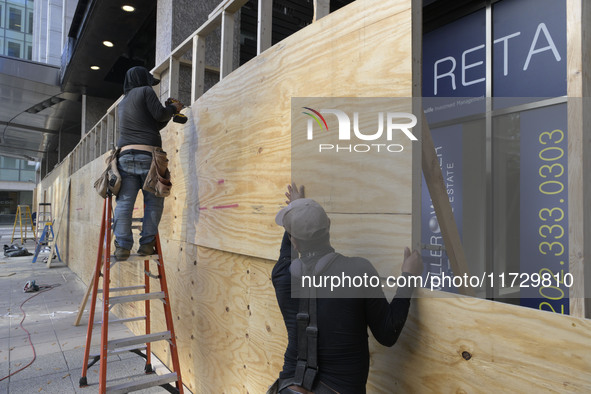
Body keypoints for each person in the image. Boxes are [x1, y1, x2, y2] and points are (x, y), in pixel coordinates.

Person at [272, 183, 422, 393]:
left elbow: (291, 242)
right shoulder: (358, 271)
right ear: (329, 226)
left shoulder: (281, 276)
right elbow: (388, 333)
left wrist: (297, 207)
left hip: (290, 386)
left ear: (293, 241)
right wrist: (408, 276)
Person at [112, 66, 183, 260]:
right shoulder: (145, 91)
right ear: (142, 79)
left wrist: (168, 112)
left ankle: (122, 246)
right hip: (148, 157)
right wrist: (173, 109)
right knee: (153, 201)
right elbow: (160, 115)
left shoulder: (123, 102)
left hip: (125, 156)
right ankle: (146, 245)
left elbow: (155, 123)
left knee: (124, 203)